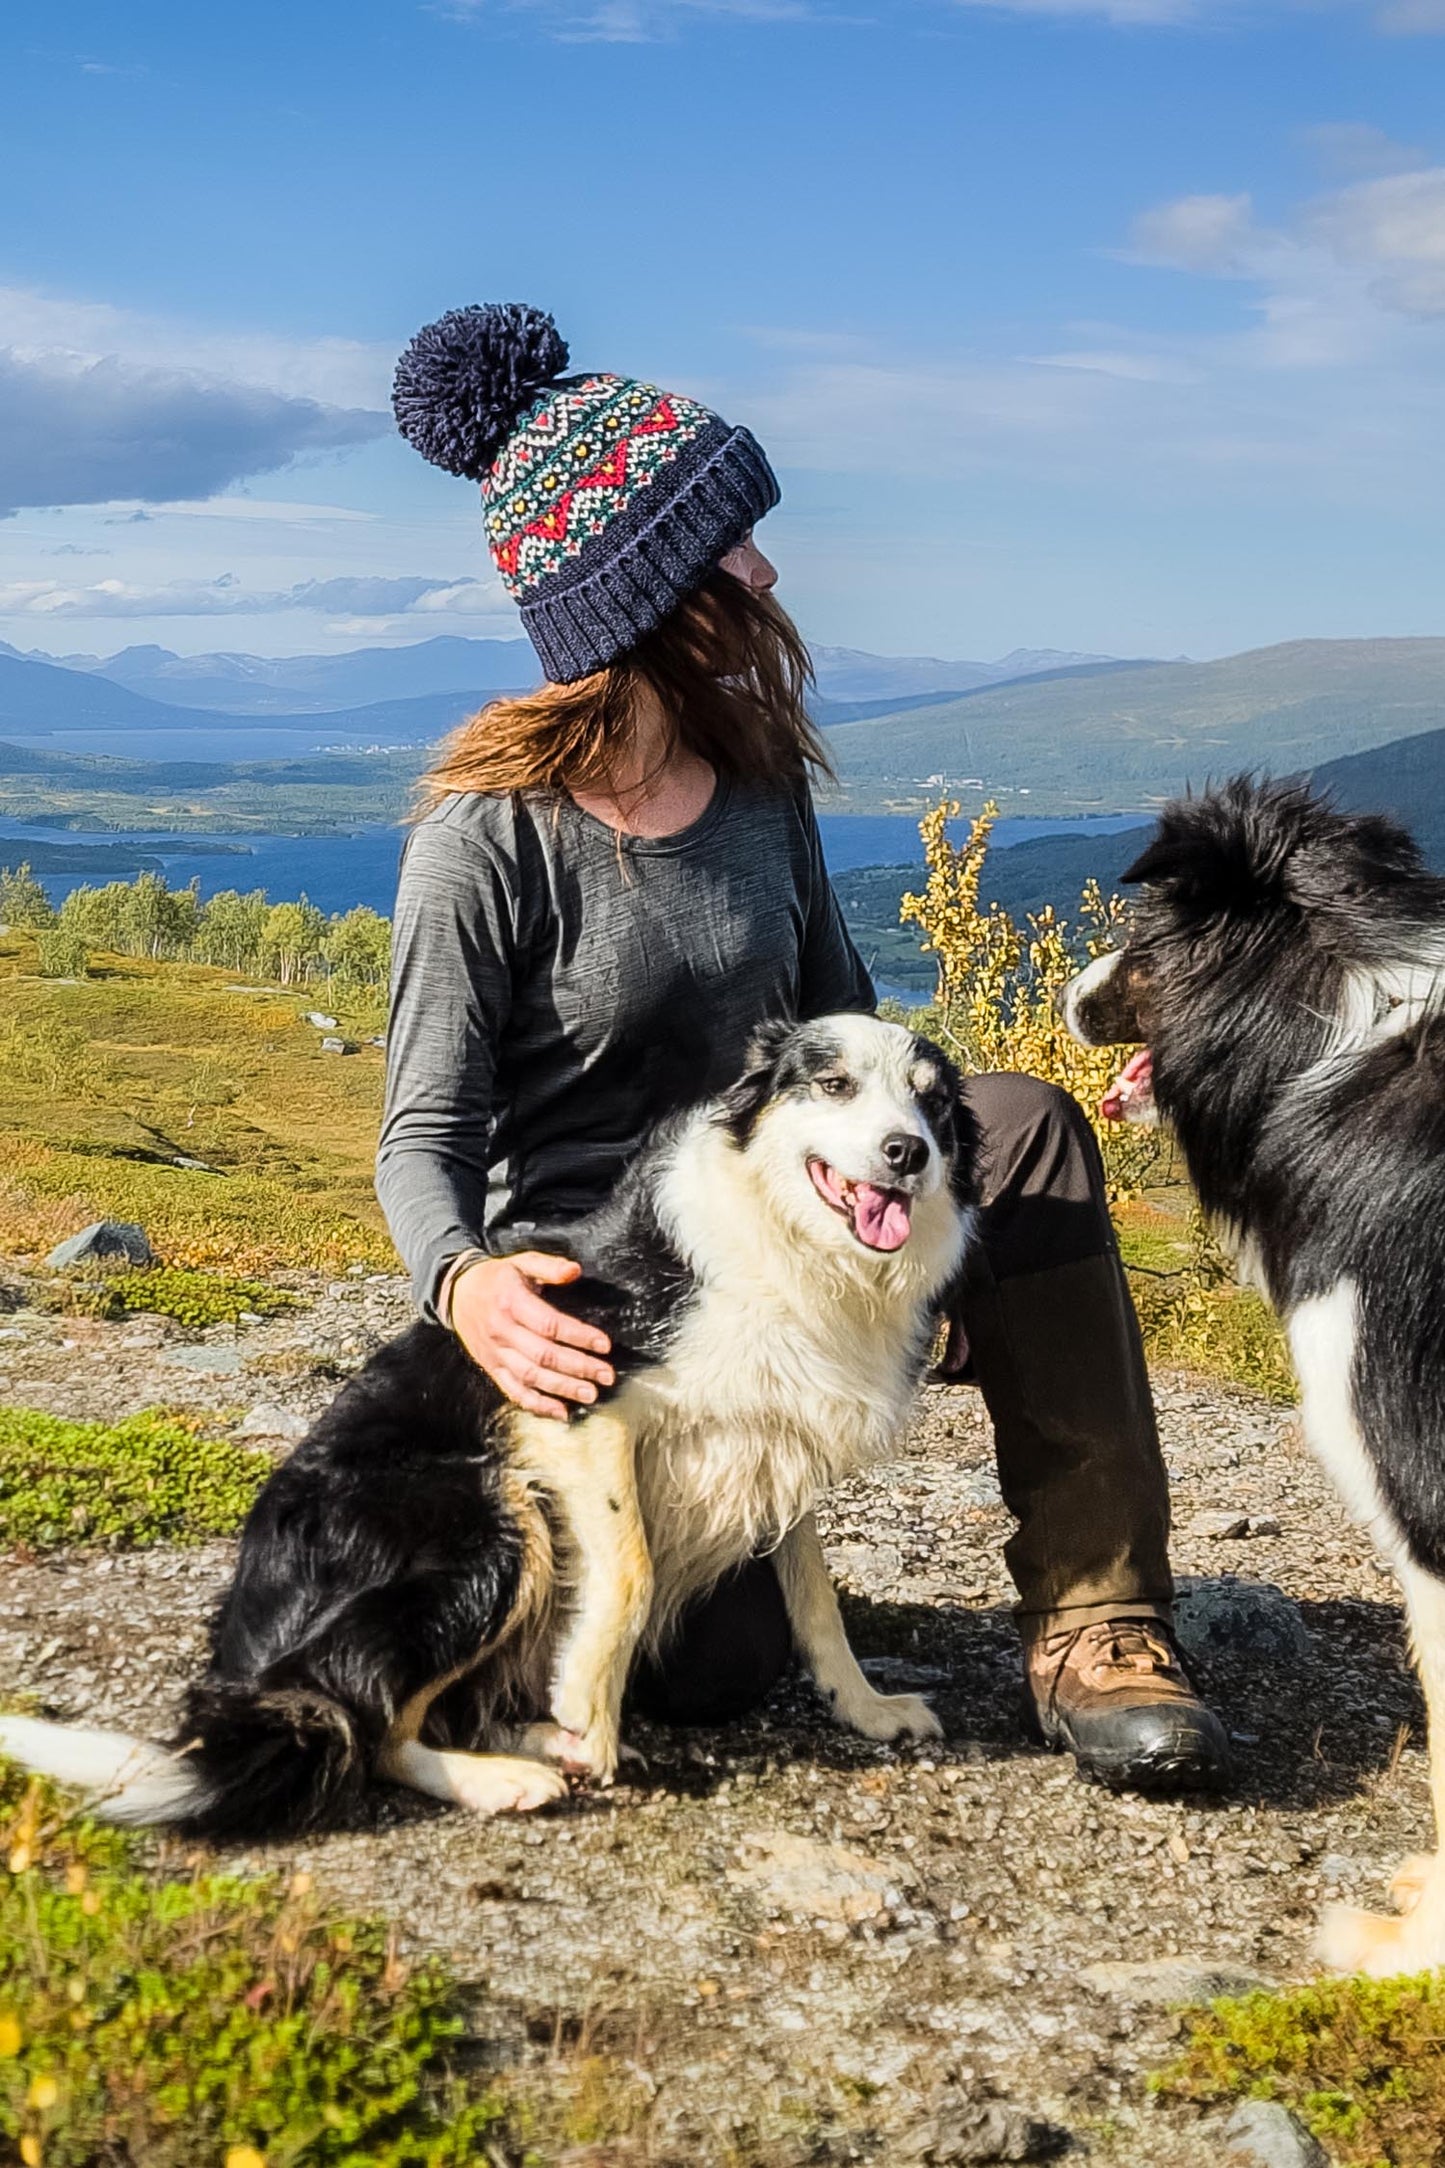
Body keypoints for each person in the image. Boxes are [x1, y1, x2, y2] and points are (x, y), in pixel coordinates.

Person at [377, 303, 1230, 1794]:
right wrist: (467, 1285)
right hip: (630, 1291)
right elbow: (420, 1136)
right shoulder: (481, 839)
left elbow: (874, 1048)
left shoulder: (763, 787)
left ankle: (1100, 1620)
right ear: (644, 585)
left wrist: (935, 1259)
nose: (766, 569)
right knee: (716, 1679)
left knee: (1019, 1122)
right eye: (732, 543)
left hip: (800, 1224)